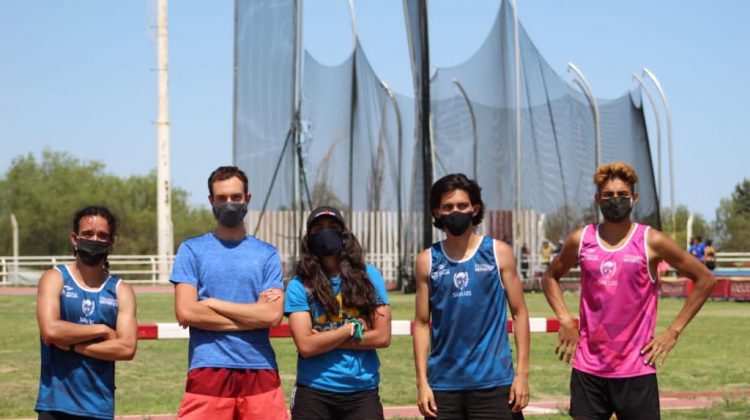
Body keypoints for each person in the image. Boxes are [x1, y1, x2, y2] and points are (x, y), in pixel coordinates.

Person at [541, 162, 716, 420]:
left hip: (637, 369)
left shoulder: (651, 241)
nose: (616, 201)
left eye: (623, 195)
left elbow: (705, 279)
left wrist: (673, 331)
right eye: (608, 195)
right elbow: (550, 277)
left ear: (634, 198)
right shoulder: (581, 239)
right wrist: (565, 318)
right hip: (589, 369)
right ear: (597, 198)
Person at [171, 166, 287, 420]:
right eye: (222, 198)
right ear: (211, 201)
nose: (229, 203)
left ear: (248, 199)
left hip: (260, 367)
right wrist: (252, 316)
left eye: (236, 197)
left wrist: (211, 303)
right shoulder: (192, 250)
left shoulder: (267, 254)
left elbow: (272, 316)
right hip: (207, 368)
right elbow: (186, 311)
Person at [413, 173, 530, 419]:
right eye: (448, 207)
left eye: (462, 205)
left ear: (474, 209)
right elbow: (422, 324)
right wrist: (422, 382)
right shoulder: (427, 261)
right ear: (436, 212)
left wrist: (522, 375)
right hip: (443, 386)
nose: (456, 211)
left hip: (494, 384)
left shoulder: (499, 253)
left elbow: (519, 313)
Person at [284, 206, 392, 419]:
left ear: (344, 235)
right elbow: (306, 346)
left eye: (333, 227)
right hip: (314, 390)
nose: (326, 232)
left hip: (361, 391)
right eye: (319, 228)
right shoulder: (299, 284)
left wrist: (323, 339)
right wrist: (353, 328)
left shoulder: (368, 275)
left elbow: (382, 336)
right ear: (309, 238)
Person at [35, 206, 137, 419]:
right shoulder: (55, 278)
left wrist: (74, 346)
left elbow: (127, 348)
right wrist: (101, 330)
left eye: (102, 235)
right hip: (55, 404)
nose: (95, 240)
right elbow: (50, 330)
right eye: (88, 234)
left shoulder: (121, 290)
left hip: (99, 407)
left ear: (111, 243)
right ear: (75, 238)